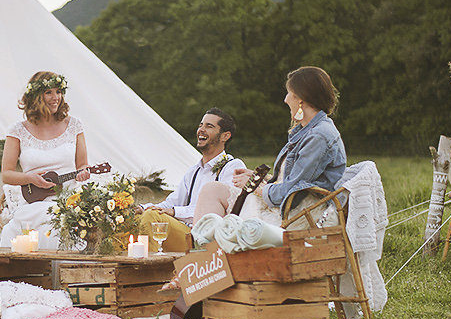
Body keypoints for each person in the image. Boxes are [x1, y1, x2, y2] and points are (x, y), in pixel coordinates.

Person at [231, 66, 346, 219]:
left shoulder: (318, 136)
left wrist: (255, 187)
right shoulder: (306, 131)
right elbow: (297, 180)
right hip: (293, 208)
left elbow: (293, 190)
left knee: (229, 221)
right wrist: (260, 178)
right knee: (222, 199)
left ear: (300, 99)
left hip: (301, 215)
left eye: (289, 93)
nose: (285, 99)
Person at [0, 71, 90, 248]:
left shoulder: (74, 126)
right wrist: (30, 178)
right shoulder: (17, 131)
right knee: (15, 229)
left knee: (54, 222)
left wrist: (84, 173)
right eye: (49, 92)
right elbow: (6, 174)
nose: (55, 97)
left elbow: (82, 165)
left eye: (58, 91)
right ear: (35, 96)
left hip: (67, 201)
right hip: (32, 201)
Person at [139, 108, 246, 252]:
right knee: (137, 218)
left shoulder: (233, 166)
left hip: (210, 239)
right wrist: (143, 207)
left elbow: (224, 211)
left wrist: (174, 212)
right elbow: (171, 203)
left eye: (209, 126)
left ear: (225, 136)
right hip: (186, 232)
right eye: (201, 125)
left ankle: (148, 269)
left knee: (152, 217)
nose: (201, 130)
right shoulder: (194, 171)